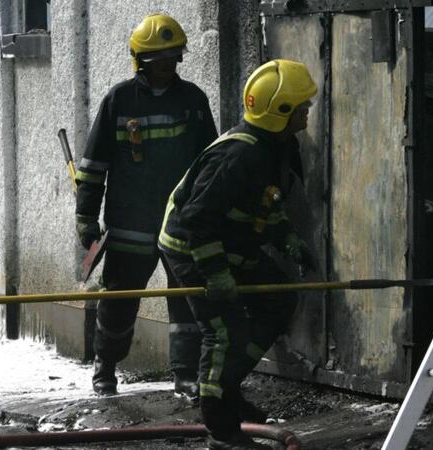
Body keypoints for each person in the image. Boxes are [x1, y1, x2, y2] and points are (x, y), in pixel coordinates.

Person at [158, 59, 318, 450]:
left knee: (279, 298)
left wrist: (286, 239)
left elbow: (267, 201)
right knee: (224, 334)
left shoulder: (276, 146)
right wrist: (215, 274)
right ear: (280, 113)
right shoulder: (239, 156)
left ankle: (226, 389)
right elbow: (197, 219)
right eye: (301, 107)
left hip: (229, 245)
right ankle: (220, 429)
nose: (307, 112)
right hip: (193, 249)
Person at [74, 14, 218, 401]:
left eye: (172, 57)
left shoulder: (193, 100)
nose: (166, 66)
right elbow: (92, 167)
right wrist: (86, 218)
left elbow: (210, 164)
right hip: (129, 227)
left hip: (180, 225)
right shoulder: (118, 101)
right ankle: (105, 369)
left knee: (186, 304)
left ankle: (185, 375)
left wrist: (207, 214)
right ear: (141, 60)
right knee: (118, 303)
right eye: (158, 59)